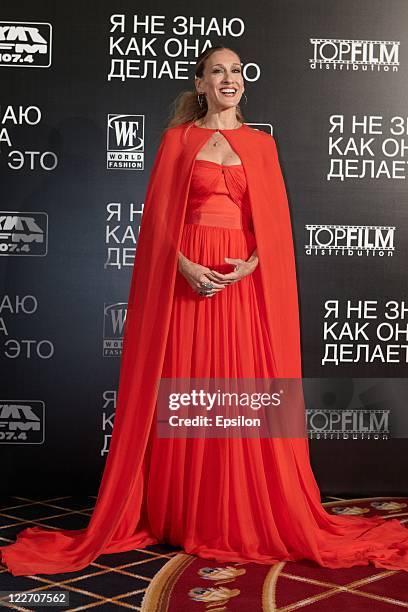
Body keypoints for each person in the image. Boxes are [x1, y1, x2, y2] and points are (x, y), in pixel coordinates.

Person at [1, 45, 408, 577]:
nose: (229, 78)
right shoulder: (178, 141)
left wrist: (248, 267)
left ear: (244, 83)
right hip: (185, 287)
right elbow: (154, 230)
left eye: (236, 71)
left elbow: (277, 232)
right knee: (186, 389)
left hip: (239, 289)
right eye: (217, 70)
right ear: (200, 83)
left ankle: (235, 511)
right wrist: (184, 266)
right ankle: (187, 512)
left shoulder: (261, 146)